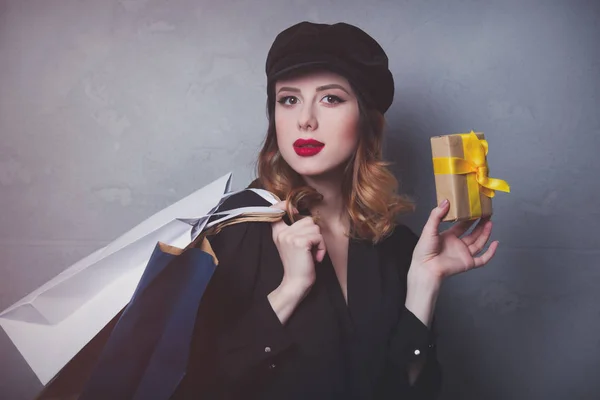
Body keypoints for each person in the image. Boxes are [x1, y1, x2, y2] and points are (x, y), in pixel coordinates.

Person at [171, 21, 498, 400]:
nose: (305, 119)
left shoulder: (395, 246)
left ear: (367, 121)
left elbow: (409, 390)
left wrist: (423, 285)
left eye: (331, 99)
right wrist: (289, 291)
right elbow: (189, 386)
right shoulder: (233, 230)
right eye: (288, 99)